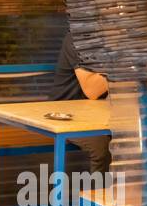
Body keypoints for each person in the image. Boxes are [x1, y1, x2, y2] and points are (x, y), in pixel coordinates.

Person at [48, 30, 111, 170]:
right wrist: (131, 63)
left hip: (100, 112)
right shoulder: (79, 37)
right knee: (101, 145)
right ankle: (99, 190)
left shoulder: (122, 39)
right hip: (65, 112)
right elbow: (93, 90)